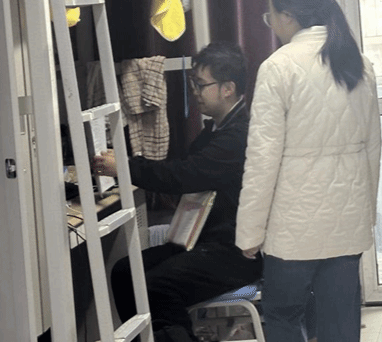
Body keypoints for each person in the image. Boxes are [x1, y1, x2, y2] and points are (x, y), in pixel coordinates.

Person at [236, 0, 382, 342]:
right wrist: (365, 214)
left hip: (292, 227)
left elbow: (262, 159)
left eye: (270, 15)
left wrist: (250, 230)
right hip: (346, 222)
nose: (271, 23)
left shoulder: (278, 67)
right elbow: (373, 148)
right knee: (341, 323)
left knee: (283, 317)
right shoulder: (358, 63)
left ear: (287, 15)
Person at [92, 41, 262, 342]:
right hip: (207, 240)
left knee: (158, 286)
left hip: (235, 251)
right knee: (125, 272)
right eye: (193, 83)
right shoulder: (216, 131)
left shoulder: (236, 137)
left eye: (201, 84)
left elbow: (183, 175)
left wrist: (125, 166)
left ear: (228, 88)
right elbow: (184, 171)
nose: (195, 91)